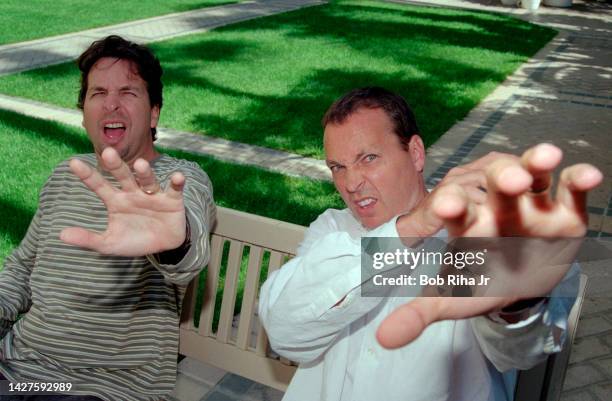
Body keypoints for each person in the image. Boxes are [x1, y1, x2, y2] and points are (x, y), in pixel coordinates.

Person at [258, 87, 602, 401]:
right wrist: (408, 229)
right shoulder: (334, 228)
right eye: (337, 166)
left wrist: (517, 305)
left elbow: (519, 352)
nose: (350, 183)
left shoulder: (479, 236)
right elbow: (286, 333)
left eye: (368, 159)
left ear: (416, 153)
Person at [0, 36, 215, 401]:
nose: (111, 104)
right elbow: (23, 266)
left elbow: (187, 259)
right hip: (19, 371)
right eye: (98, 93)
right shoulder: (67, 175)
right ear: (84, 110)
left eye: (128, 93)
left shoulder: (179, 182)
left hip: (100, 388)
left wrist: (173, 242)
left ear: (154, 112)